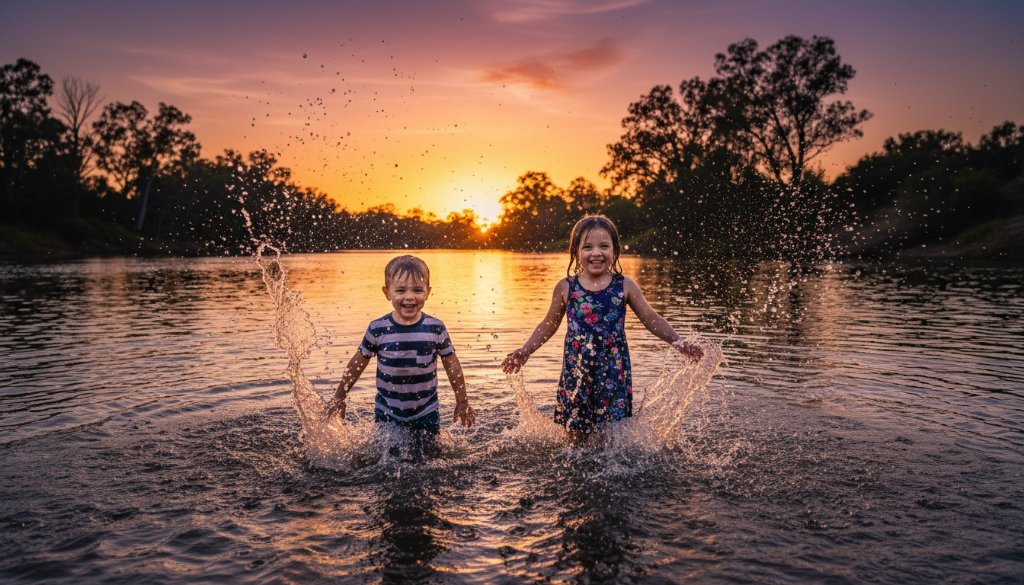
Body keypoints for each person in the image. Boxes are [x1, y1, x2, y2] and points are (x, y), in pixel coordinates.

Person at [501, 214, 703, 434]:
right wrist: (525, 350)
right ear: (576, 253)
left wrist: (679, 342)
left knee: (612, 433)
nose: (596, 253)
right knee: (574, 432)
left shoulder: (624, 286)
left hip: (613, 371)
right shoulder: (566, 287)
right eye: (587, 247)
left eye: (604, 246)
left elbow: (651, 318)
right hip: (577, 371)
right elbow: (548, 324)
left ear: (614, 251)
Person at [327, 255, 476, 438]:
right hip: (387, 411)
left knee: (430, 459)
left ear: (428, 292)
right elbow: (358, 364)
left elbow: (452, 365)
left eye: (417, 290)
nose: (409, 297)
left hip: (426, 411)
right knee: (385, 460)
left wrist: (462, 401)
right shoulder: (378, 329)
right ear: (387, 292)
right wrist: (340, 396)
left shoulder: (436, 328)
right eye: (400, 290)